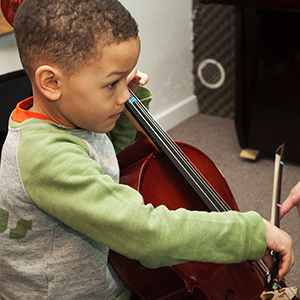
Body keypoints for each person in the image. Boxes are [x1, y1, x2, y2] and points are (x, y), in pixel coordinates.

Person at [0, 0, 294, 299]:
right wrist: (249, 234)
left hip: (106, 275)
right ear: (51, 82)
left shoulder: (73, 114)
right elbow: (144, 232)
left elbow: (112, 157)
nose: (125, 95)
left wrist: (129, 109)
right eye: (113, 83)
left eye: (126, 80)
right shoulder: (46, 157)